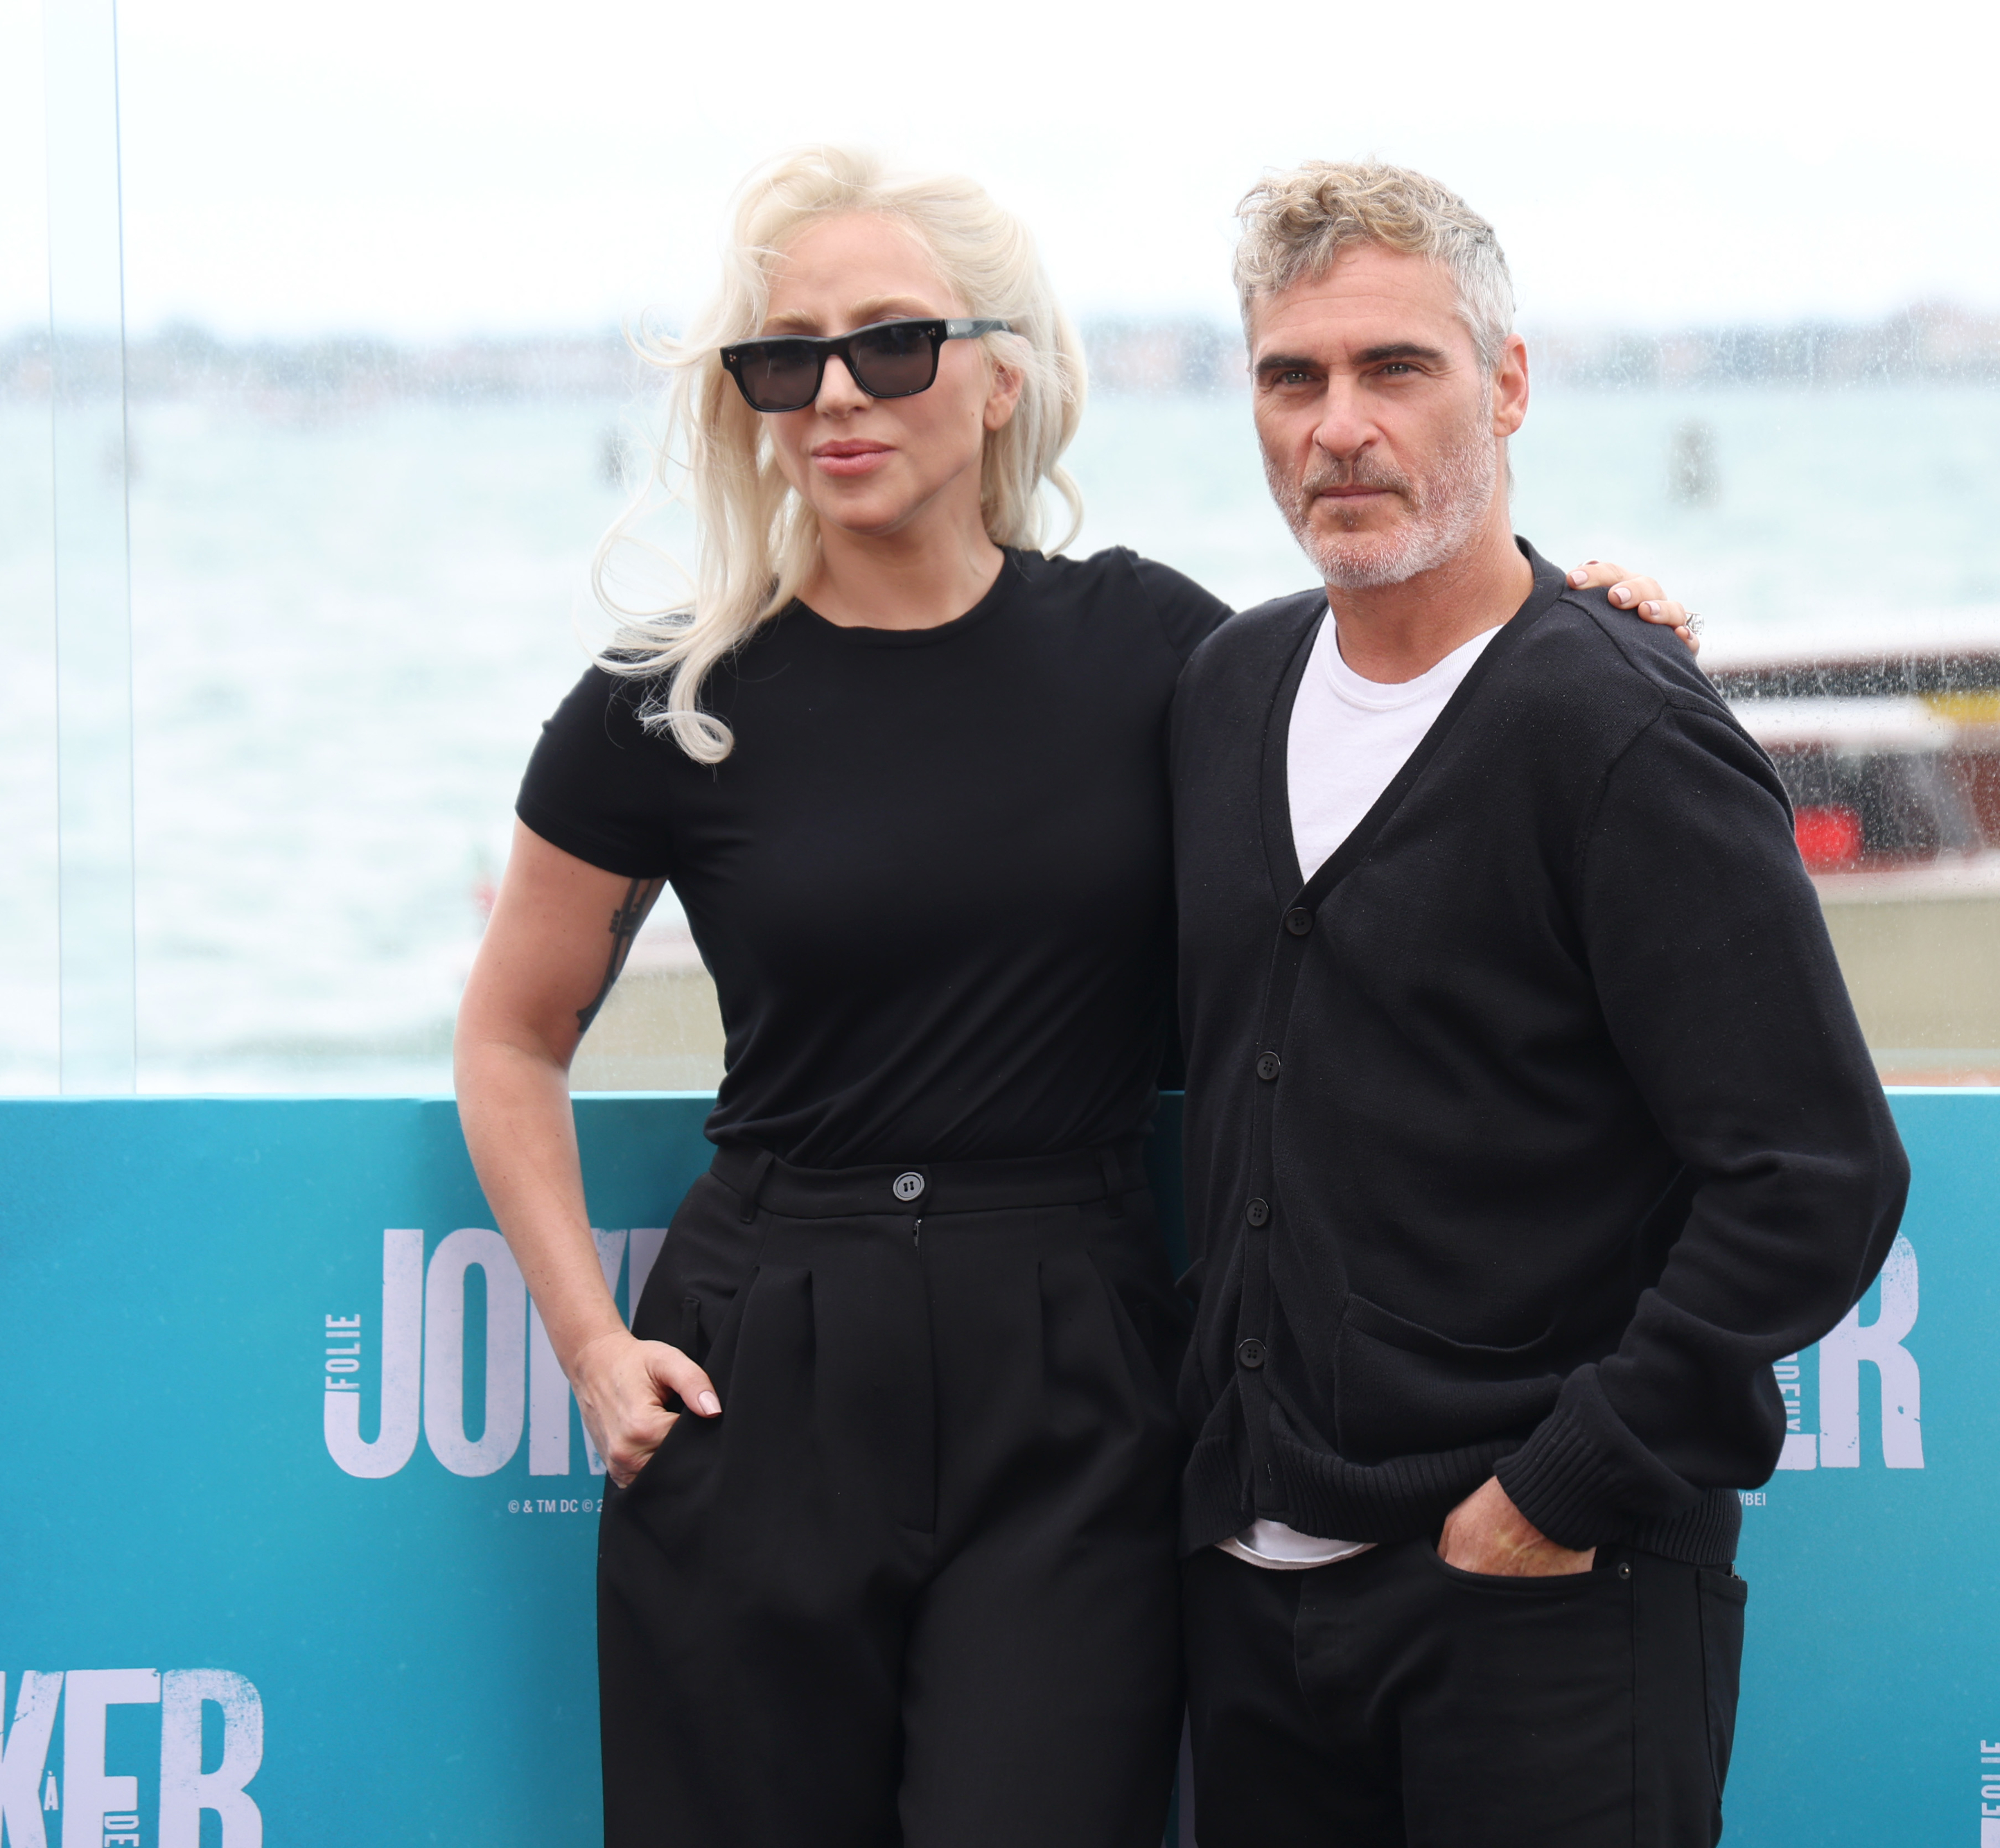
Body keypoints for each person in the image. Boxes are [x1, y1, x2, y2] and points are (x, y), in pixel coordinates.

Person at [450, 146, 1692, 1847]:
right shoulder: (665, 702)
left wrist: (1585, 612)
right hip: (766, 1357)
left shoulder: (1163, 656)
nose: (834, 394)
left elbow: (1407, 684)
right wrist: (589, 1343)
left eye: (889, 342)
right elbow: (511, 1033)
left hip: (1078, 1361)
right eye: (781, 356)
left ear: (1003, 368)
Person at [1166, 161, 1911, 1848]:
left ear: (1505, 386)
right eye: (1292, 376)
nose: (1336, 425)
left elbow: (1815, 1173)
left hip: (1538, 1600)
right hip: (1254, 1599)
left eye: (1393, 369)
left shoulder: (1616, 728)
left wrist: (1556, 1489)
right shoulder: (1223, 690)